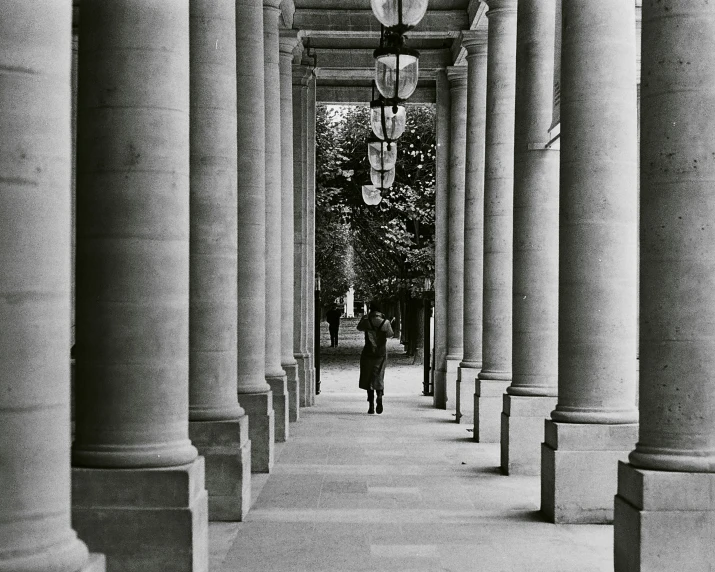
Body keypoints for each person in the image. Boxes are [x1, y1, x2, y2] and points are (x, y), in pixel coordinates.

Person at [357, 301, 394, 414]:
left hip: (368, 352)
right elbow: (390, 334)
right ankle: (379, 396)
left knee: (368, 377)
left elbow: (359, 327)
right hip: (381, 353)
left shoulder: (366, 321)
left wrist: (366, 317)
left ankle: (371, 404)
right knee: (379, 376)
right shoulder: (385, 322)